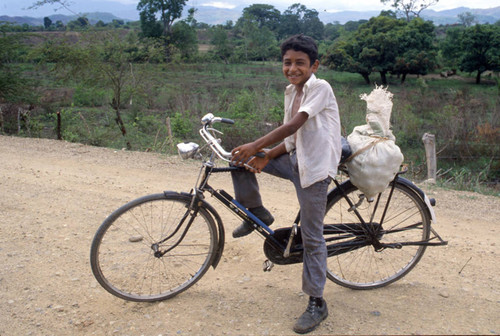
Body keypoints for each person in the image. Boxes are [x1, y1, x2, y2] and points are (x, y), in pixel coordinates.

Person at [230, 34, 342, 334]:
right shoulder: (291, 91)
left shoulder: (320, 87)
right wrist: (265, 155)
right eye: (287, 63)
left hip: (315, 169)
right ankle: (256, 213)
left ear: (314, 65)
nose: (292, 68)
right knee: (239, 161)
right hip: (295, 159)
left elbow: (294, 125)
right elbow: (291, 138)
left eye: (300, 63)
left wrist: (257, 145)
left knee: (312, 237)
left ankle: (317, 302)